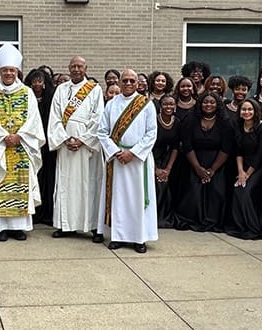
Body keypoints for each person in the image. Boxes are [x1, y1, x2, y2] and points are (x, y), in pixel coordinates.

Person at [0, 44, 45, 241]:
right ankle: (0, 228)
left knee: (20, 185)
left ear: (17, 72)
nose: (8, 73)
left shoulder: (26, 92)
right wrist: (3, 137)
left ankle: (17, 228)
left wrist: (20, 136)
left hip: (22, 147)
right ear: (0, 71)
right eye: (5, 70)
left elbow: (33, 118)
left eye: (12, 70)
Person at [97, 69, 158, 253]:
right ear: (120, 82)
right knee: (119, 199)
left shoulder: (146, 104)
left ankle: (139, 238)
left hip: (138, 160)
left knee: (138, 199)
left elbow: (151, 132)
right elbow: (102, 131)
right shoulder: (111, 104)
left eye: (132, 80)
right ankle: (118, 236)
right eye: (125, 80)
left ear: (138, 83)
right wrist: (116, 152)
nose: (129, 83)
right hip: (117, 159)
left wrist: (133, 152)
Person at [47, 56, 105, 241]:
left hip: (87, 147)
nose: (76, 69)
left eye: (80, 66)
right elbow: (54, 117)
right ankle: (67, 225)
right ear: (68, 68)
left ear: (86, 68)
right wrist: (64, 139)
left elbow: (98, 118)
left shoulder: (94, 89)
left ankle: (94, 227)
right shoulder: (61, 89)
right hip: (66, 146)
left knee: (90, 185)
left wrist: (83, 140)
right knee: (66, 185)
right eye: (73, 66)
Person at [174, 91, 232, 232]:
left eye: (212, 102)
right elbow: (187, 146)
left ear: (217, 105)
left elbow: (226, 148)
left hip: (217, 162)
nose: (208, 105)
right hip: (194, 161)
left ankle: (213, 219)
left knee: (216, 190)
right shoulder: (191, 120)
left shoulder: (225, 122)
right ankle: (193, 218)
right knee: (194, 190)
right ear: (200, 104)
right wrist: (198, 169)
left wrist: (212, 170)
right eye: (205, 102)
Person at [225, 100, 262, 240]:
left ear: (255, 111)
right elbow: (238, 151)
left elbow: (260, 154)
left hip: (261, 166)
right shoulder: (239, 126)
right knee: (237, 189)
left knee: (245, 190)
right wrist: (240, 172)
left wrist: (247, 175)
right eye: (244, 110)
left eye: (250, 110)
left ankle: (253, 227)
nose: (247, 112)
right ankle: (240, 226)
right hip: (244, 164)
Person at [26, 68, 55, 225]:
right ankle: (35, 212)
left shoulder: (50, 98)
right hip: (32, 142)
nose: (37, 84)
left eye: (40, 81)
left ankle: (48, 213)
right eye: (34, 81)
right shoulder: (27, 97)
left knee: (48, 178)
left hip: (48, 144)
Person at [153, 95, 181, 229]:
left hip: (169, 159)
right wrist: (155, 169)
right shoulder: (153, 121)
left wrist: (168, 168)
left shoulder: (177, 122)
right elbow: (149, 146)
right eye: (165, 104)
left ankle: (165, 217)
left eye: (171, 104)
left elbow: (176, 147)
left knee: (167, 185)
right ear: (160, 106)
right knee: (157, 186)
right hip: (152, 158)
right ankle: (154, 217)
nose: (168, 107)